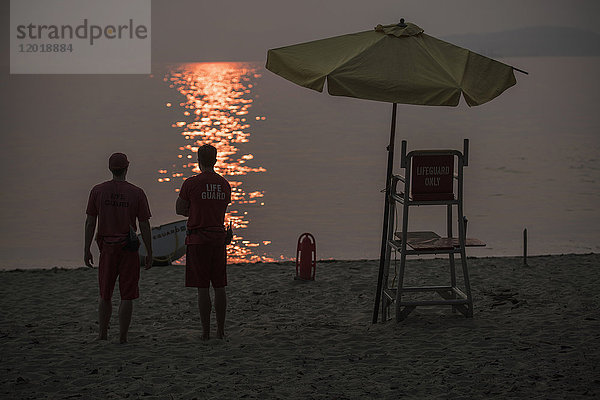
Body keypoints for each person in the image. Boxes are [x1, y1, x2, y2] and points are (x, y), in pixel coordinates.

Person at [84, 152, 153, 344]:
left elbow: (90, 222)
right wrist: (149, 251)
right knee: (127, 295)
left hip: (107, 248)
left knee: (105, 293)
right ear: (127, 168)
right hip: (128, 249)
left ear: (110, 169)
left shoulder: (97, 191)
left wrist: (86, 248)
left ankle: (102, 334)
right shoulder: (137, 193)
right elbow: (145, 224)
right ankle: (122, 336)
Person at [176, 144, 231, 340]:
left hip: (198, 240)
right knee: (219, 285)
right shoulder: (224, 184)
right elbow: (221, 208)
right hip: (217, 239)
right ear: (215, 160)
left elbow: (179, 209)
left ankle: (206, 331)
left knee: (202, 288)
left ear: (198, 161)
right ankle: (221, 330)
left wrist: (195, 210)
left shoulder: (191, 183)